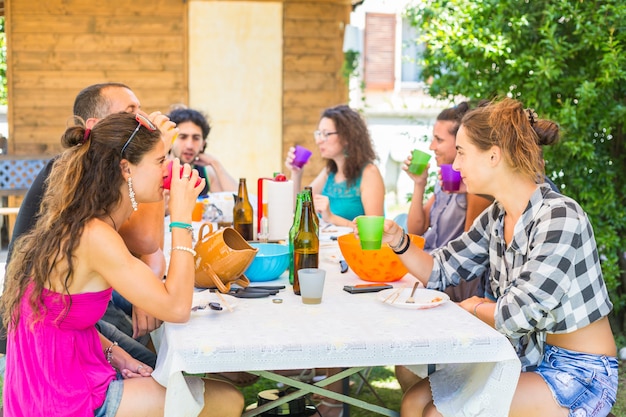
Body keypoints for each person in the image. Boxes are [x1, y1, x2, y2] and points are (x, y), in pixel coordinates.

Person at [374, 98, 617, 417]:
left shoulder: (560, 217)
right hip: (522, 357)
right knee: (413, 401)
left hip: (579, 372)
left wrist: (472, 306)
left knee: (440, 413)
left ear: (493, 155)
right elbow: (440, 270)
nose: (455, 165)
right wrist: (400, 242)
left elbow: (518, 314)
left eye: (461, 152)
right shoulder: (496, 217)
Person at [1, 112, 244, 416]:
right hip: (62, 398)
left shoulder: (83, 222)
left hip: (52, 382)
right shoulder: (94, 236)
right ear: (126, 169)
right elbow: (177, 308)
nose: (167, 170)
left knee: (200, 386)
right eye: (160, 161)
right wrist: (181, 218)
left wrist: (116, 355)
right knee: (228, 399)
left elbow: (63, 320)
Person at [2, 82, 176, 366]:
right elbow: (147, 239)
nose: (142, 121)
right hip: (48, 326)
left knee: (158, 349)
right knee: (159, 364)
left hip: (82, 303)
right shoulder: (73, 176)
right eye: (131, 112)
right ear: (97, 126)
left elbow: (150, 248)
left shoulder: (108, 176)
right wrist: (160, 149)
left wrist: (150, 284)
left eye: (140, 111)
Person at [394, 103, 493, 392]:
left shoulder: (476, 189)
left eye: (439, 140)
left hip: (454, 285)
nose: (432, 146)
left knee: (407, 362)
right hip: (430, 274)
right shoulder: (442, 183)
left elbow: (470, 251)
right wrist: (418, 184)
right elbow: (415, 230)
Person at [285, 104, 385, 227]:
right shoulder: (329, 172)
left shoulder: (369, 173)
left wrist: (331, 217)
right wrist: (296, 173)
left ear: (347, 137)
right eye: (318, 133)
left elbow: (375, 231)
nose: (318, 140)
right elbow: (297, 208)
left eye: (326, 134)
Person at [168, 106, 237, 196]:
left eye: (196, 138)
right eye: (183, 137)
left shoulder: (205, 173)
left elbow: (240, 201)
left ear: (203, 144)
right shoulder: (159, 170)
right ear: (170, 140)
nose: (189, 145)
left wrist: (215, 164)